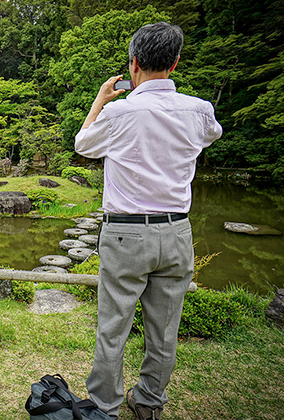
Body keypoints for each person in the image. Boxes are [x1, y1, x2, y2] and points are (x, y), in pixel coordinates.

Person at [74, 22, 223, 420]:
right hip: (177, 231)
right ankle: (150, 403)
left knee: (113, 326)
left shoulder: (120, 112)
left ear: (134, 62)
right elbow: (212, 134)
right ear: (175, 63)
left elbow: (83, 145)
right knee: (164, 329)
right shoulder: (199, 110)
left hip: (126, 234)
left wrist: (100, 102)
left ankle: (105, 407)